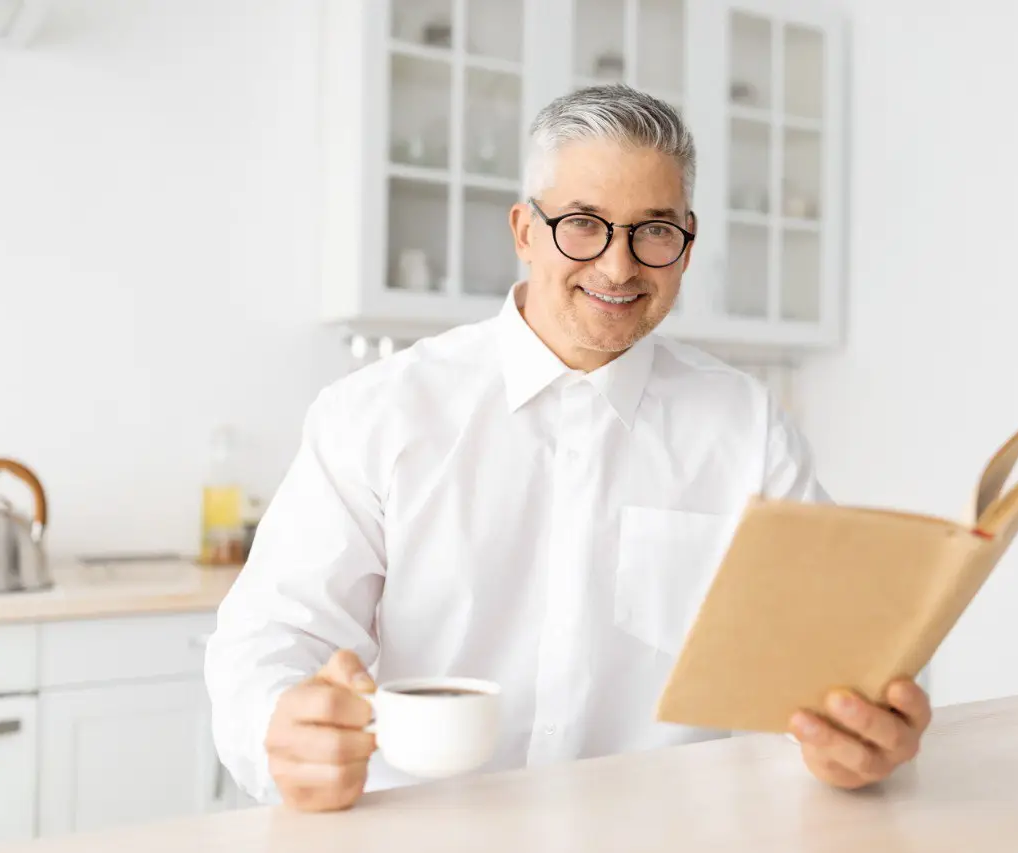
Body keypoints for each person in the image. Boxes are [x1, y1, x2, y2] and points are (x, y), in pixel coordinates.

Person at [204, 83, 930, 813]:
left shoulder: (747, 427)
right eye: (583, 223)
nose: (618, 267)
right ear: (524, 230)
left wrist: (864, 731)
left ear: (687, 242)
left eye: (653, 230)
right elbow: (271, 638)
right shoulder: (377, 414)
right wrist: (280, 728)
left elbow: (839, 650)